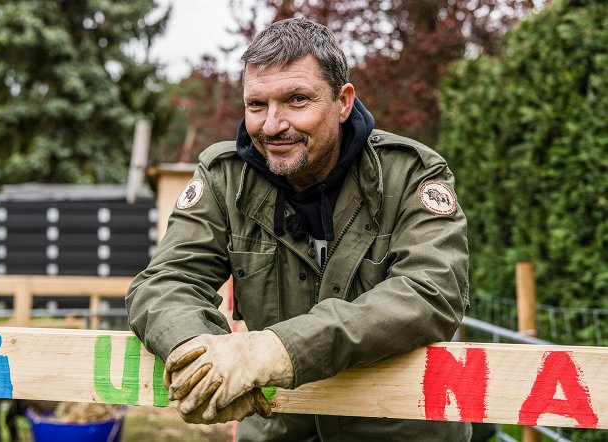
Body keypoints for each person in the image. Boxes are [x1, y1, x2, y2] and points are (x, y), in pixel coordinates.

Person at [126, 17, 471, 441]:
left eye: (296, 100)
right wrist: (194, 350)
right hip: (278, 431)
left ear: (343, 101)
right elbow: (166, 282)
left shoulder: (409, 175)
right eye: (257, 105)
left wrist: (275, 349)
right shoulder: (223, 178)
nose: (272, 125)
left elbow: (430, 291)